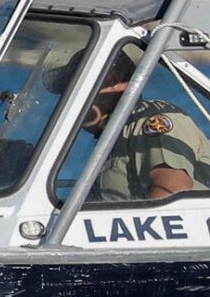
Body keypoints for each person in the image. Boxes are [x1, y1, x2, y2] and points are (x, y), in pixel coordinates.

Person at [85, 50, 210, 201]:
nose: (68, 101)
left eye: (77, 88)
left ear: (113, 80)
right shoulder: (114, 136)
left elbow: (171, 193)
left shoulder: (149, 120)